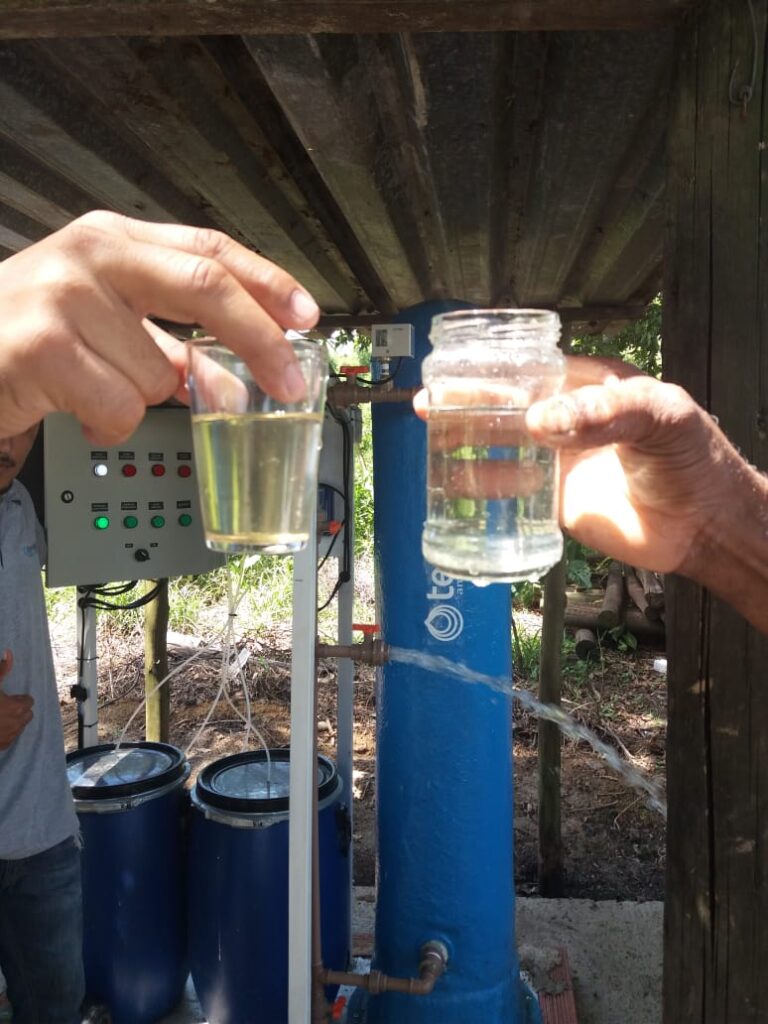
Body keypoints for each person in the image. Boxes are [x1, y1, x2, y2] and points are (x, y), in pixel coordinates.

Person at [0, 423, 85, 1023]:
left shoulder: (20, 504)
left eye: (25, 418)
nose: (8, 435)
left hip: (41, 825)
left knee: (54, 1006)